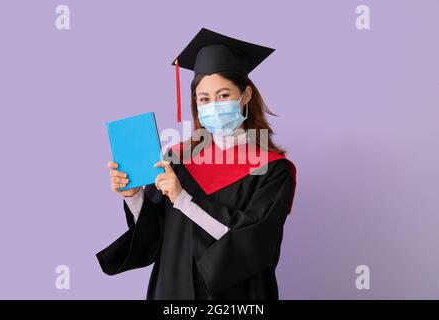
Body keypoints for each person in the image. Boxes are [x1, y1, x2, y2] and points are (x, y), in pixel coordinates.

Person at [96, 27, 297, 300]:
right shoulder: (177, 159)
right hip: (172, 292)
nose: (213, 105)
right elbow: (154, 236)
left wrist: (183, 199)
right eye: (204, 99)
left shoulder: (272, 170)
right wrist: (133, 197)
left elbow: (251, 242)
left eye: (224, 95)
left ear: (245, 96)